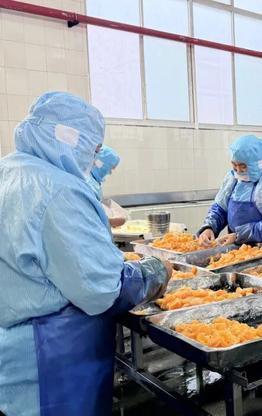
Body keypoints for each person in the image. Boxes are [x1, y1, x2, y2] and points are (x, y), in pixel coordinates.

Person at [0, 92, 171, 416]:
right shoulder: (59, 190)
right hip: (53, 356)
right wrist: (156, 270)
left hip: (15, 347)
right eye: (93, 150)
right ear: (70, 139)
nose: (93, 160)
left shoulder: (10, 172)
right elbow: (102, 288)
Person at [197, 135, 262, 245]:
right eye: (234, 165)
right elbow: (221, 208)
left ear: (256, 164)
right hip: (239, 247)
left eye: (243, 166)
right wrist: (209, 227)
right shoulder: (232, 178)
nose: (238, 170)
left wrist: (239, 235)